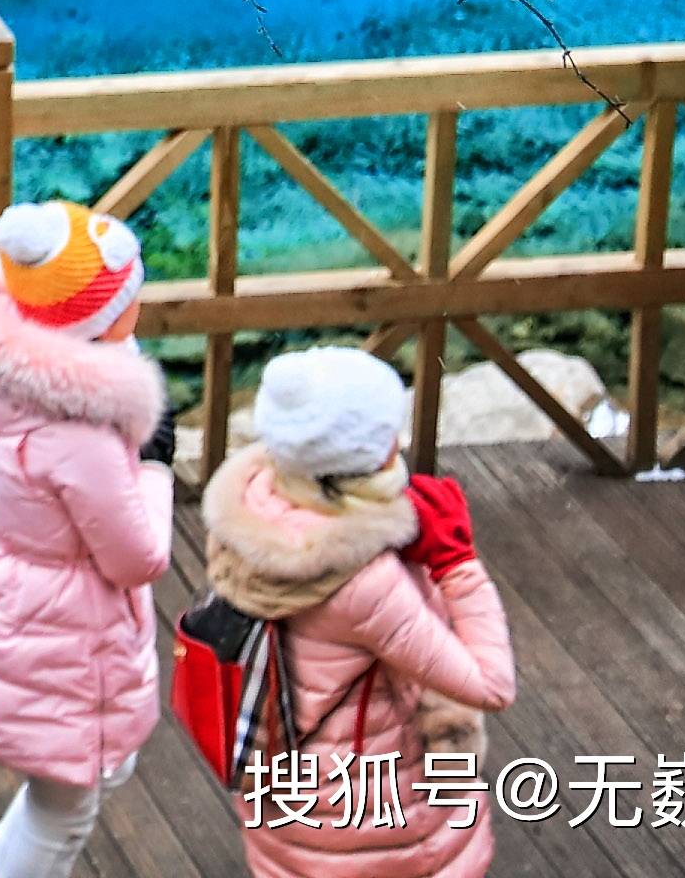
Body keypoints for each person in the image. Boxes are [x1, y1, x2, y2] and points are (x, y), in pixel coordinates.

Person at [0, 203, 173, 878]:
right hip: (67, 626)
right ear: (99, 317)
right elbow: (138, 557)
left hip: (4, 585)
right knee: (70, 804)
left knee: (74, 778)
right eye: (130, 293)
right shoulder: (77, 432)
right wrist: (154, 469)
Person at [199, 347, 516, 878]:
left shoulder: (252, 506)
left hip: (288, 796)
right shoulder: (362, 580)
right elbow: (491, 685)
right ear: (374, 448)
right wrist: (458, 564)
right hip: (374, 820)